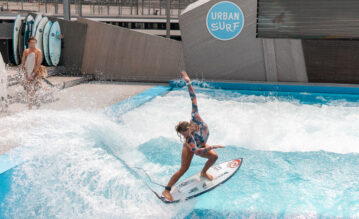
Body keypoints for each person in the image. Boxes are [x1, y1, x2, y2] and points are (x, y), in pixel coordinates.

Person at [162, 71, 225, 202]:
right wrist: (213, 146)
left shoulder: (195, 117)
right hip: (192, 148)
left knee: (214, 157)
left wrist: (188, 82)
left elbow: (193, 98)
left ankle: (203, 172)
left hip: (201, 145)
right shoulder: (189, 140)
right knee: (184, 168)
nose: (187, 136)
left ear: (189, 127)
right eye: (184, 135)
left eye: (186, 133)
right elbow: (197, 151)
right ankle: (167, 189)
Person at [20, 37, 43, 109]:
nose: (33, 44)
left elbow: (38, 64)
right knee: (29, 89)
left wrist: (33, 75)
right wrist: (25, 74)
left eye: (34, 42)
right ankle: (30, 105)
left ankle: (37, 104)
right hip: (28, 72)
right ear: (28, 43)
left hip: (36, 72)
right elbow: (23, 63)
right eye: (31, 43)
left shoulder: (38, 51)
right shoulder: (26, 51)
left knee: (36, 88)